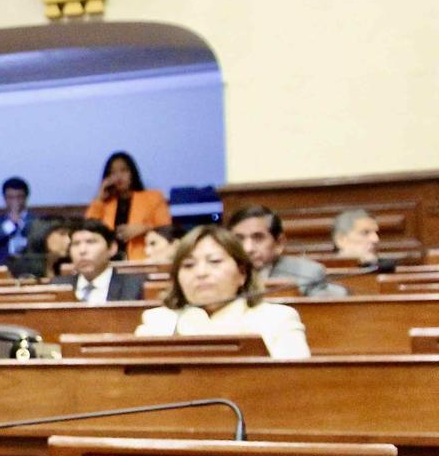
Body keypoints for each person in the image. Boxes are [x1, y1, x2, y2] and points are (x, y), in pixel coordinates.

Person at [137, 225, 309, 357]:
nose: (201, 273)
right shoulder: (156, 323)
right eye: (189, 265)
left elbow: (298, 389)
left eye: (215, 261)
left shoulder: (277, 320)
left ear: (242, 273)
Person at [229, 205, 348, 298]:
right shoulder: (218, 274)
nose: (248, 248)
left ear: (279, 243)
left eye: (258, 238)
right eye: (239, 239)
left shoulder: (307, 274)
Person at [84, 150, 172, 262]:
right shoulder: (104, 203)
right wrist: (99, 198)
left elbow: (167, 231)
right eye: (113, 173)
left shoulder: (153, 197)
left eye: (123, 170)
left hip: (144, 260)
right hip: (109, 263)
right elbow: (88, 230)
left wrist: (144, 228)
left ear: (132, 173)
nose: (118, 177)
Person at [53, 218, 145, 302]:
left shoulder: (134, 286)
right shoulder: (56, 287)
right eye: (76, 244)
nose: (82, 250)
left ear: (112, 248)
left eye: (91, 242)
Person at [0, 177, 32, 265]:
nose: (15, 201)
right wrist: (10, 225)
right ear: (5, 199)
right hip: (2, 267)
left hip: (30, 267)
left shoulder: (36, 220)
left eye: (19, 197)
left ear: (26, 198)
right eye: (11, 197)